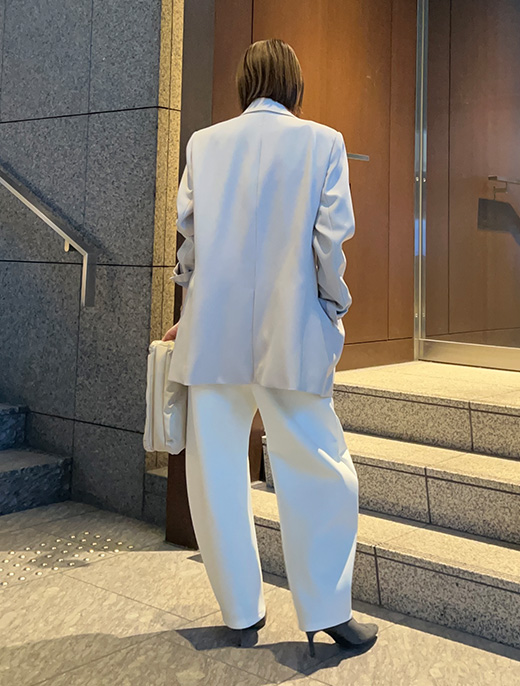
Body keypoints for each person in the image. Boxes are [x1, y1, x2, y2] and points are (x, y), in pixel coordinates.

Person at [162, 38, 378, 656]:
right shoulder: (323, 142)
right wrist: (333, 308)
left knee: (216, 473)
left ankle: (240, 612)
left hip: (213, 333)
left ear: (244, 83)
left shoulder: (204, 144)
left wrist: (188, 314)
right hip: (293, 331)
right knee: (321, 468)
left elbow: (190, 245)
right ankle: (327, 611)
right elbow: (329, 244)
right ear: (295, 85)